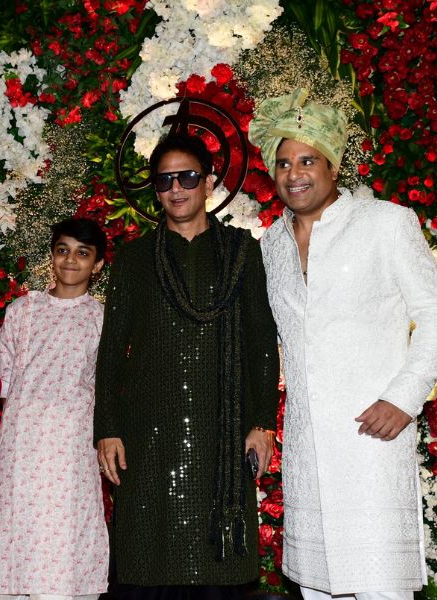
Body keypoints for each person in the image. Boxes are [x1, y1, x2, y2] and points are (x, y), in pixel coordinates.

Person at [249, 88, 437, 600]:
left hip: (373, 436)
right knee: (317, 588)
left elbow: (436, 313)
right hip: (307, 449)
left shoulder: (385, 222)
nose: (294, 173)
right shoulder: (271, 245)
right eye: (283, 163)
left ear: (333, 165)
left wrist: (404, 398)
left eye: (307, 160)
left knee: (379, 584)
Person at [94, 132, 280, 599]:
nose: (176, 189)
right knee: (147, 560)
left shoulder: (241, 251)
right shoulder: (135, 258)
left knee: (218, 570)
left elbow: (261, 341)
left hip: (222, 428)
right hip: (148, 431)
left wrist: (262, 423)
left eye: (188, 177)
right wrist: (108, 429)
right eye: (164, 181)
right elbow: (112, 350)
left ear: (209, 182)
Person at [0, 218, 110, 600]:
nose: (70, 260)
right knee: (13, 523)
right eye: (63, 250)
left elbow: (106, 386)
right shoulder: (24, 310)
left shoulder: (102, 319)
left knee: (65, 528)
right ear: (52, 255)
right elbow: (2, 378)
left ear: (97, 264)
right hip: (22, 442)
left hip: (72, 446)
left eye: (82, 253)